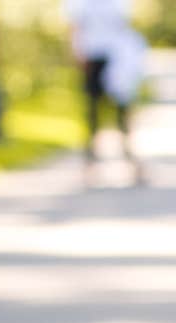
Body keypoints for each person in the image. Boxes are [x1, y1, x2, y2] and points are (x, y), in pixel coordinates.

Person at [64, 0, 144, 185]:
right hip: (92, 57)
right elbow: (75, 27)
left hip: (118, 59)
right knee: (92, 113)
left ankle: (131, 161)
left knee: (122, 113)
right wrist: (77, 53)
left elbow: (124, 26)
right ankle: (90, 166)